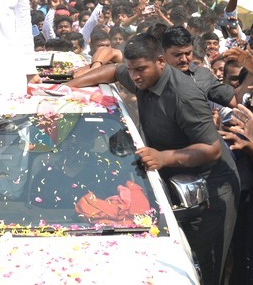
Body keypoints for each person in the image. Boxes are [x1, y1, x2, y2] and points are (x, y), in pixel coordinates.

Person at [69, 33, 240, 285]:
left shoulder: (184, 96)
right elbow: (114, 72)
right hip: (173, 176)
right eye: (132, 70)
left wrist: (163, 157)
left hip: (212, 188)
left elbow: (212, 148)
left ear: (161, 62)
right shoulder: (141, 76)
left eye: (140, 69)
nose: (135, 76)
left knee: (203, 264)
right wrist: (68, 88)